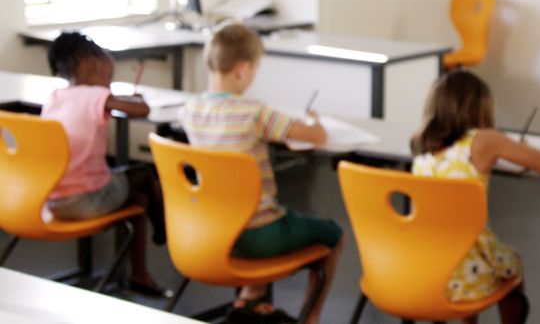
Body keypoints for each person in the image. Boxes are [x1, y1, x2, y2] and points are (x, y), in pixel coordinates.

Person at [181, 23, 342, 324]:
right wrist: (314, 121)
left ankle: (249, 299)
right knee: (332, 234)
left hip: (212, 231)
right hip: (257, 236)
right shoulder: (254, 112)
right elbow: (316, 137)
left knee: (277, 214)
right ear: (242, 69)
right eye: (256, 68)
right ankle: (312, 317)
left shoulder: (189, 111)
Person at [410, 69, 540, 324]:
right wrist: (527, 149)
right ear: (480, 108)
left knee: (467, 250)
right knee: (511, 261)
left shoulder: (420, 142)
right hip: (466, 272)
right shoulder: (485, 141)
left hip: (421, 267)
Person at [42, 31, 168, 297]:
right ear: (91, 66)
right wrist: (135, 98)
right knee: (144, 175)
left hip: (50, 198)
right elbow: (142, 110)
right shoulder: (95, 95)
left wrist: (113, 95)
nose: (108, 85)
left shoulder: (56, 96)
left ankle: (139, 274)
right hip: (85, 199)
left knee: (139, 201)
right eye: (108, 77)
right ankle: (165, 232)